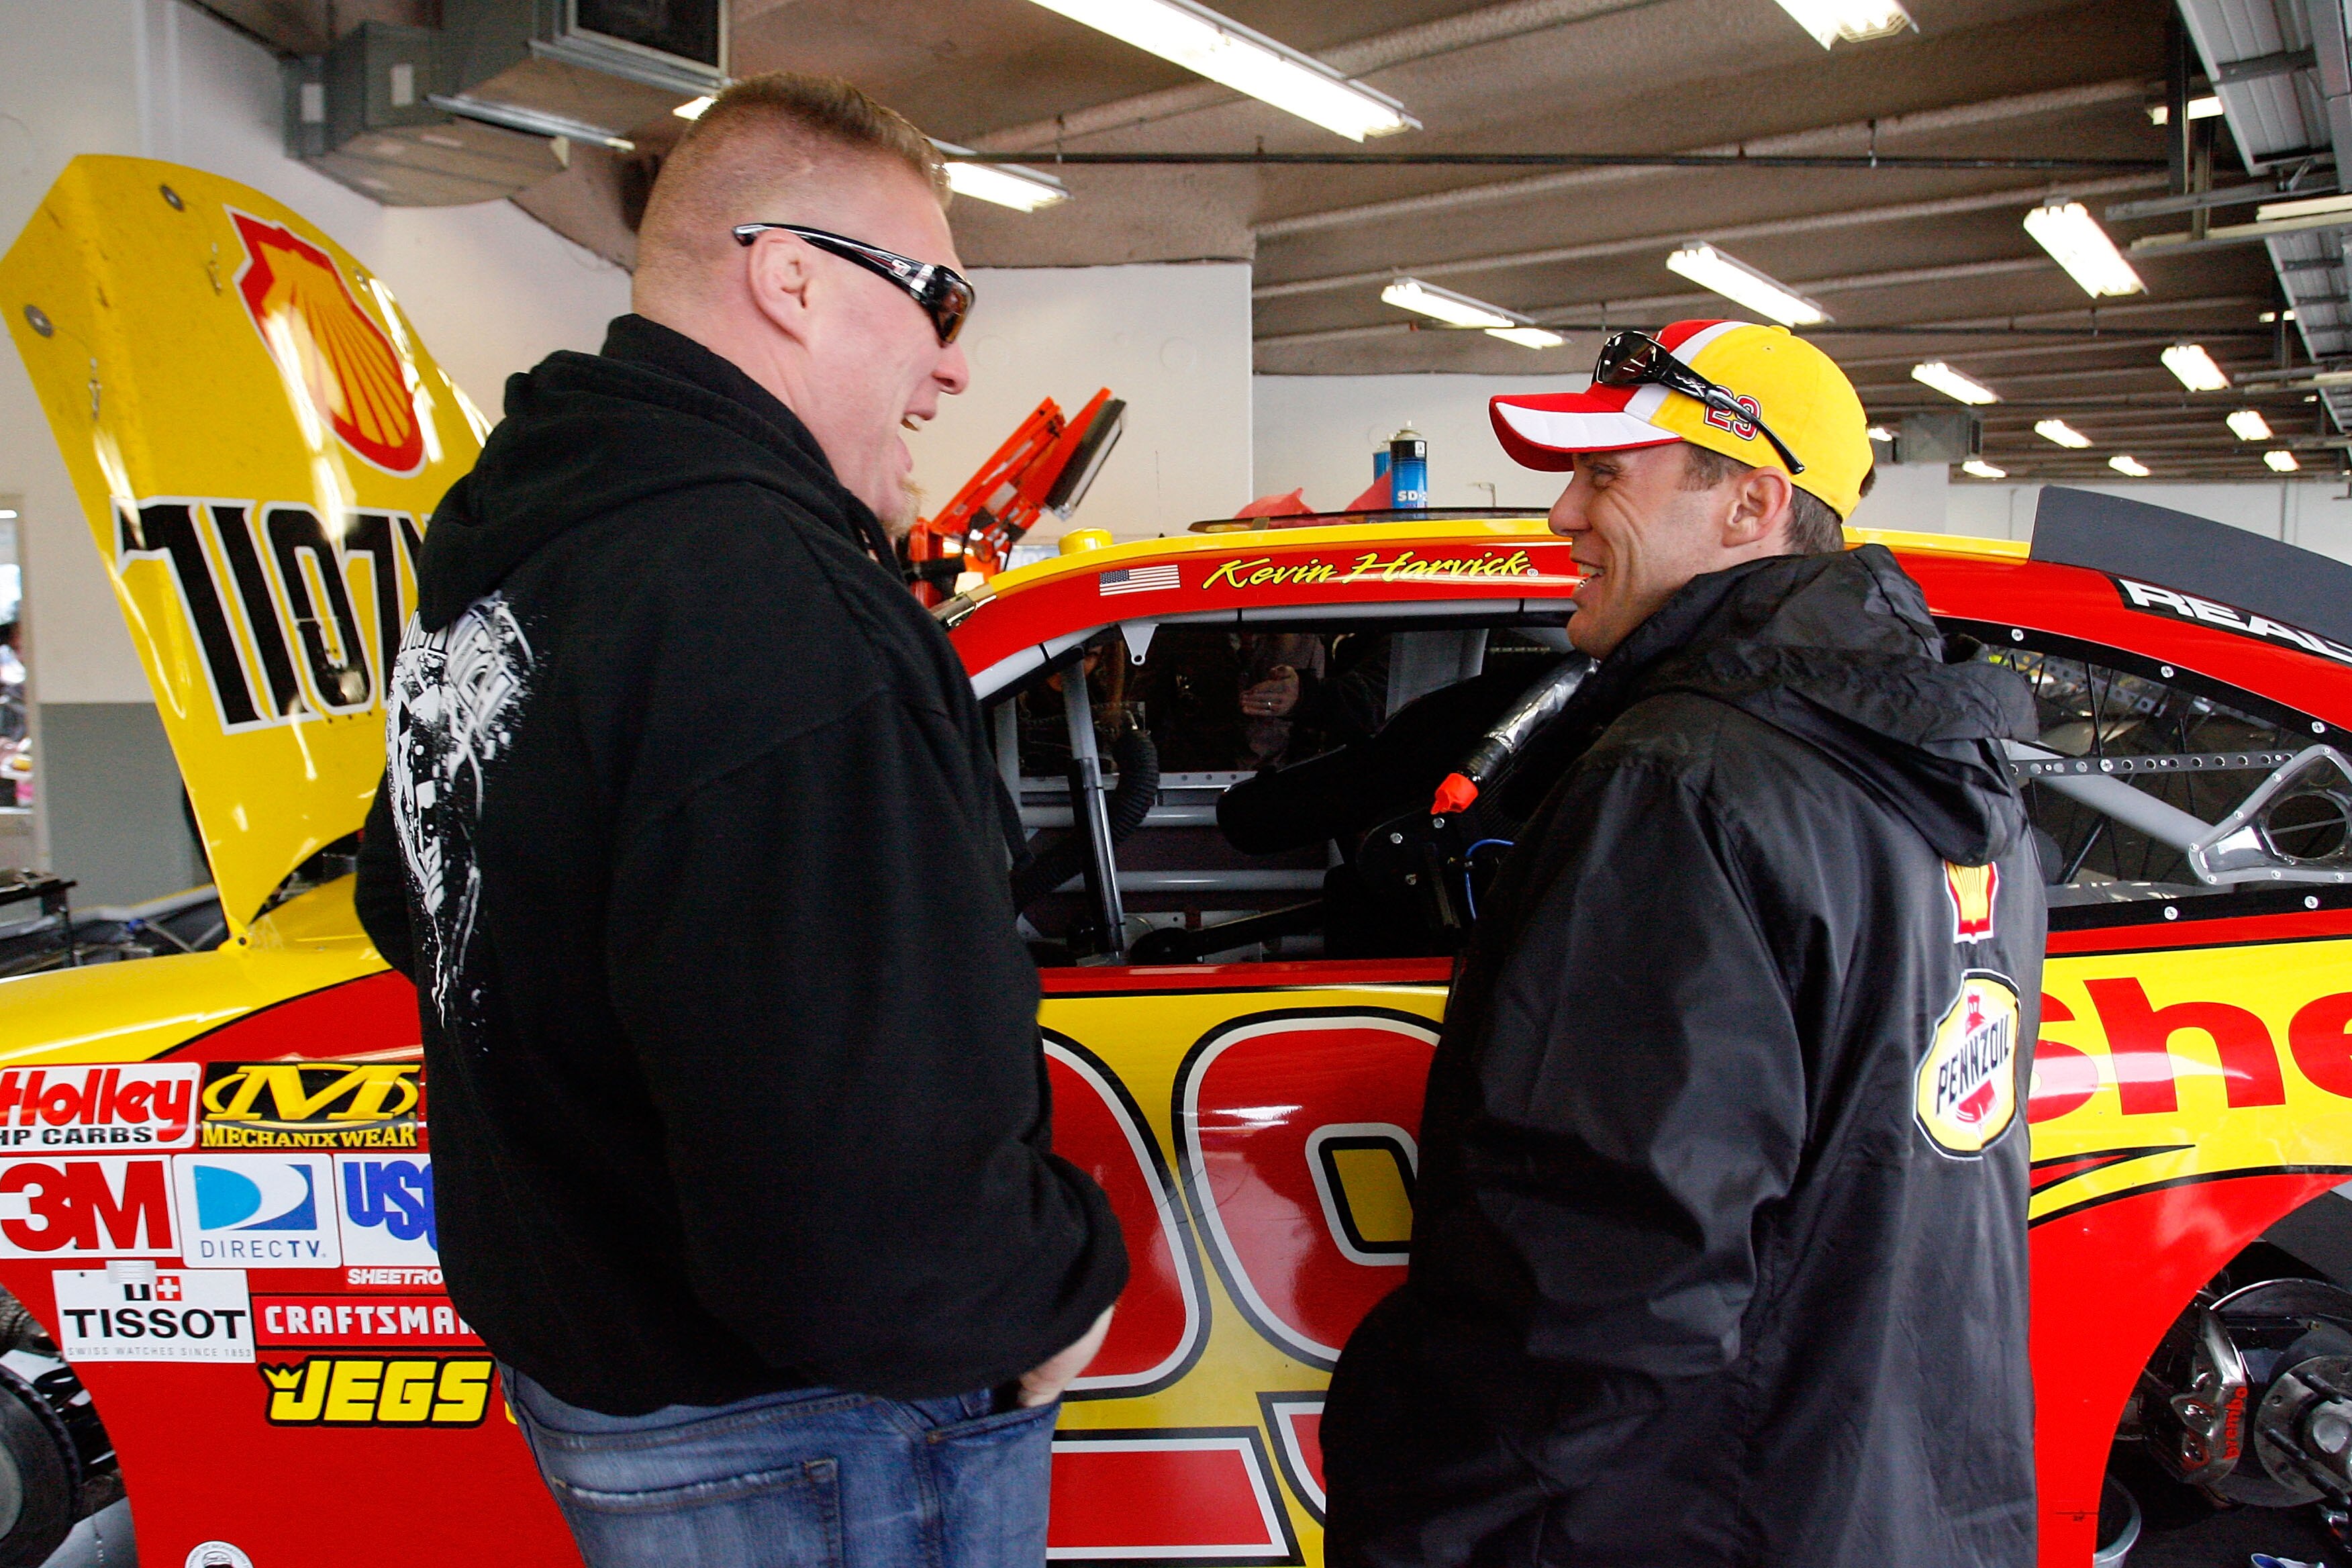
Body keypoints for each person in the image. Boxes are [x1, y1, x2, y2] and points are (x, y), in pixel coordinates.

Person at [352, 72, 1126, 1567]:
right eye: (940, 301)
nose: (953, 371)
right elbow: (864, 1219)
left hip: (603, 1381)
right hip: (805, 1433)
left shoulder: (513, 541)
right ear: (789, 279)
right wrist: (1051, 1285)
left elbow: (415, 898)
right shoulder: (771, 606)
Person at [1319, 319, 2045, 1567]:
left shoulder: (1680, 785)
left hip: (1674, 1514)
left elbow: (1598, 1282)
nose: (1558, 514)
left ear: (1750, 505)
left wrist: (1420, 1502)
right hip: (1884, 1500)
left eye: (1604, 475)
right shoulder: (1956, 774)